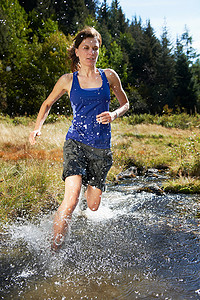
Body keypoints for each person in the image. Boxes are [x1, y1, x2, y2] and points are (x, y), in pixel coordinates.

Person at [29, 26, 129, 250]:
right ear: (76, 51)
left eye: (95, 48)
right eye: (86, 48)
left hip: (101, 149)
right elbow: (47, 104)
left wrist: (114, 114)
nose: (91, 53)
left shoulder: (109, 76)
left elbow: (126, 103)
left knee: (92, 206)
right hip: (75, 142)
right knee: (71, 199)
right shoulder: (67, 80)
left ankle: (87, 185)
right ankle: (54, 252)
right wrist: (37, 128)